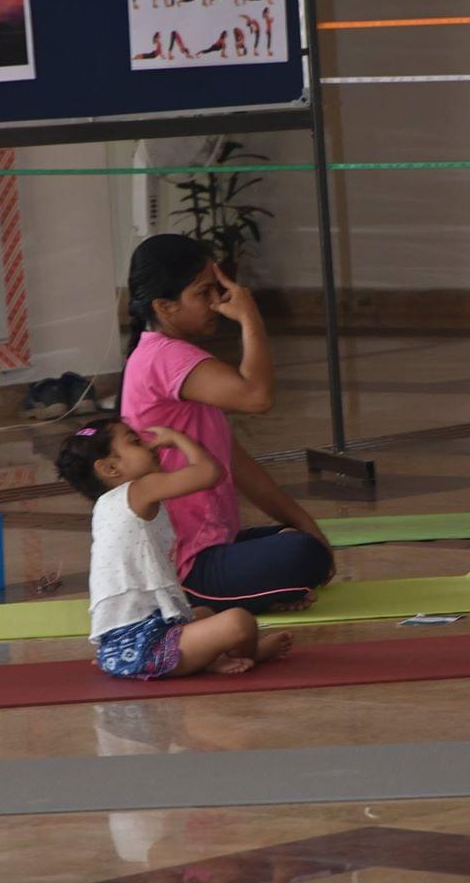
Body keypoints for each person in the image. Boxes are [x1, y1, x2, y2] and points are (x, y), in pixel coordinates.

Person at [120, 234, 335, 614]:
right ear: (165, 306)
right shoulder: (164, 357)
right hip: (189, 565)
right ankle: (210, 598)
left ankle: (262, 586)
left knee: (296, 541)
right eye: (203, 293)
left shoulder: (168, 355)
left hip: (214, 542)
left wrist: (303, 523)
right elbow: (257, 396)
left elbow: (241, 467)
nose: (217, 302)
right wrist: (250, 316)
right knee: (300, 554)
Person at [56, 420, 293, 678]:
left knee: (204, 612)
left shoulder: (108, 505)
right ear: (110, 468)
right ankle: (249, 653)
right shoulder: (139, 489)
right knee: (240, 621)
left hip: (123, 646)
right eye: (135, 442)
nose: (148, 445)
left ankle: (203, 658)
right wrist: (179, 439)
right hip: (145, 646)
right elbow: (208, 473)